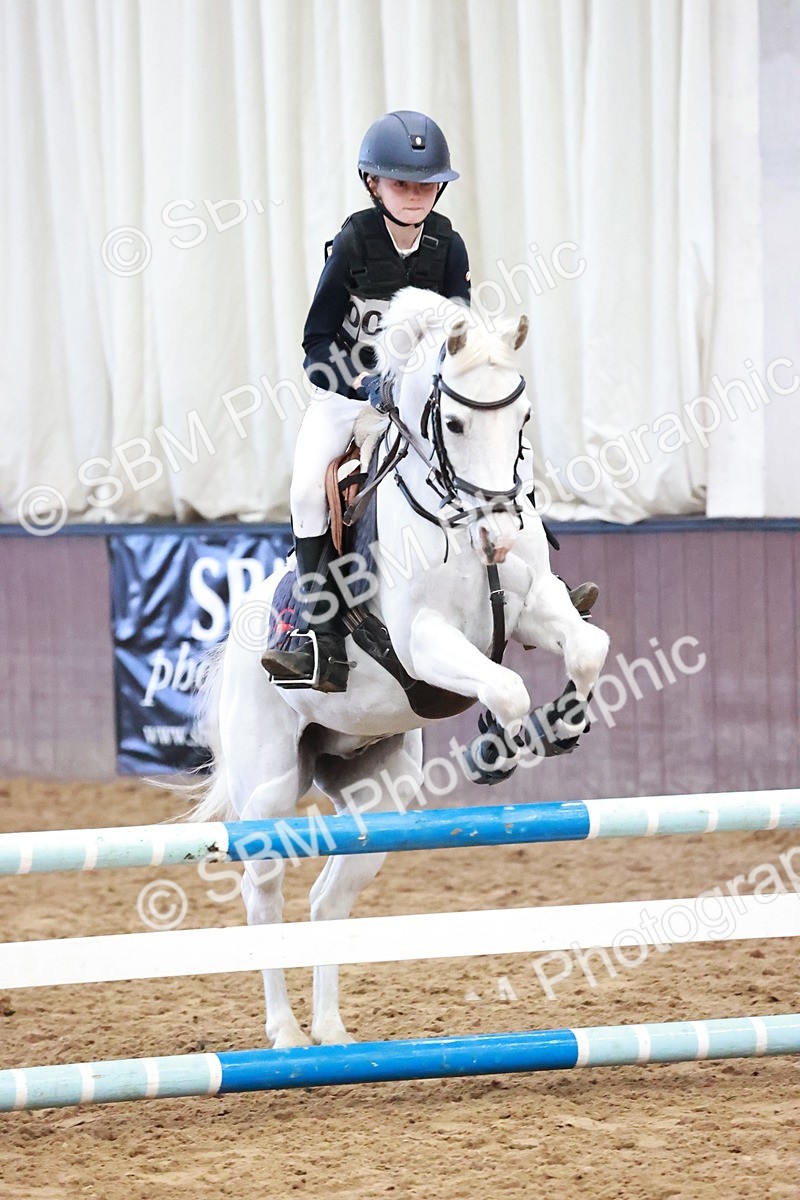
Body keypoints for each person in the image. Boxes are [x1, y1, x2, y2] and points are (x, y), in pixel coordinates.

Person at [262, 110, 596, 693]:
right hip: (350, 397)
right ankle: (317, 638)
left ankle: (541, 583)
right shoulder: (353, 243)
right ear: (374, 184)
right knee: (303, 490)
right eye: (401, 184)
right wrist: (363, 385)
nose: (414, 196)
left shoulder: (448, 246)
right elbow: (316, 342)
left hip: (423, 399)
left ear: (439, 187)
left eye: (424, 184)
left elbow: (459, 334)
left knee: (494, 446)